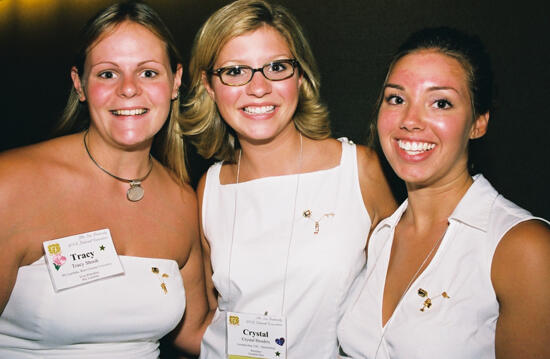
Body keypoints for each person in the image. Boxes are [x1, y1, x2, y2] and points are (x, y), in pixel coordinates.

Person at [179, 0, 396, 357]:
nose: (258, 87)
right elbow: (206, 318)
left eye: (276, 67)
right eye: (235, 71)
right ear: (208, 85)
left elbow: (403, 302)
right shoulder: (211, 189)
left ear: (300, 75)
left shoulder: (358, 170)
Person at [0, 2, 210, 357]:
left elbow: (197, 333)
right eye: (107, 73)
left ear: (175, 82)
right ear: (79, 84)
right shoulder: (12, 184)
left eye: (148, 73)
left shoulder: (182, 200)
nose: (128, 89)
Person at [337, 26, 550, 359]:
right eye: (396, 98)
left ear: (479, 122)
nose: (410, 120)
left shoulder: (522, 248)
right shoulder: (379, 235)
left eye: (440, 102)